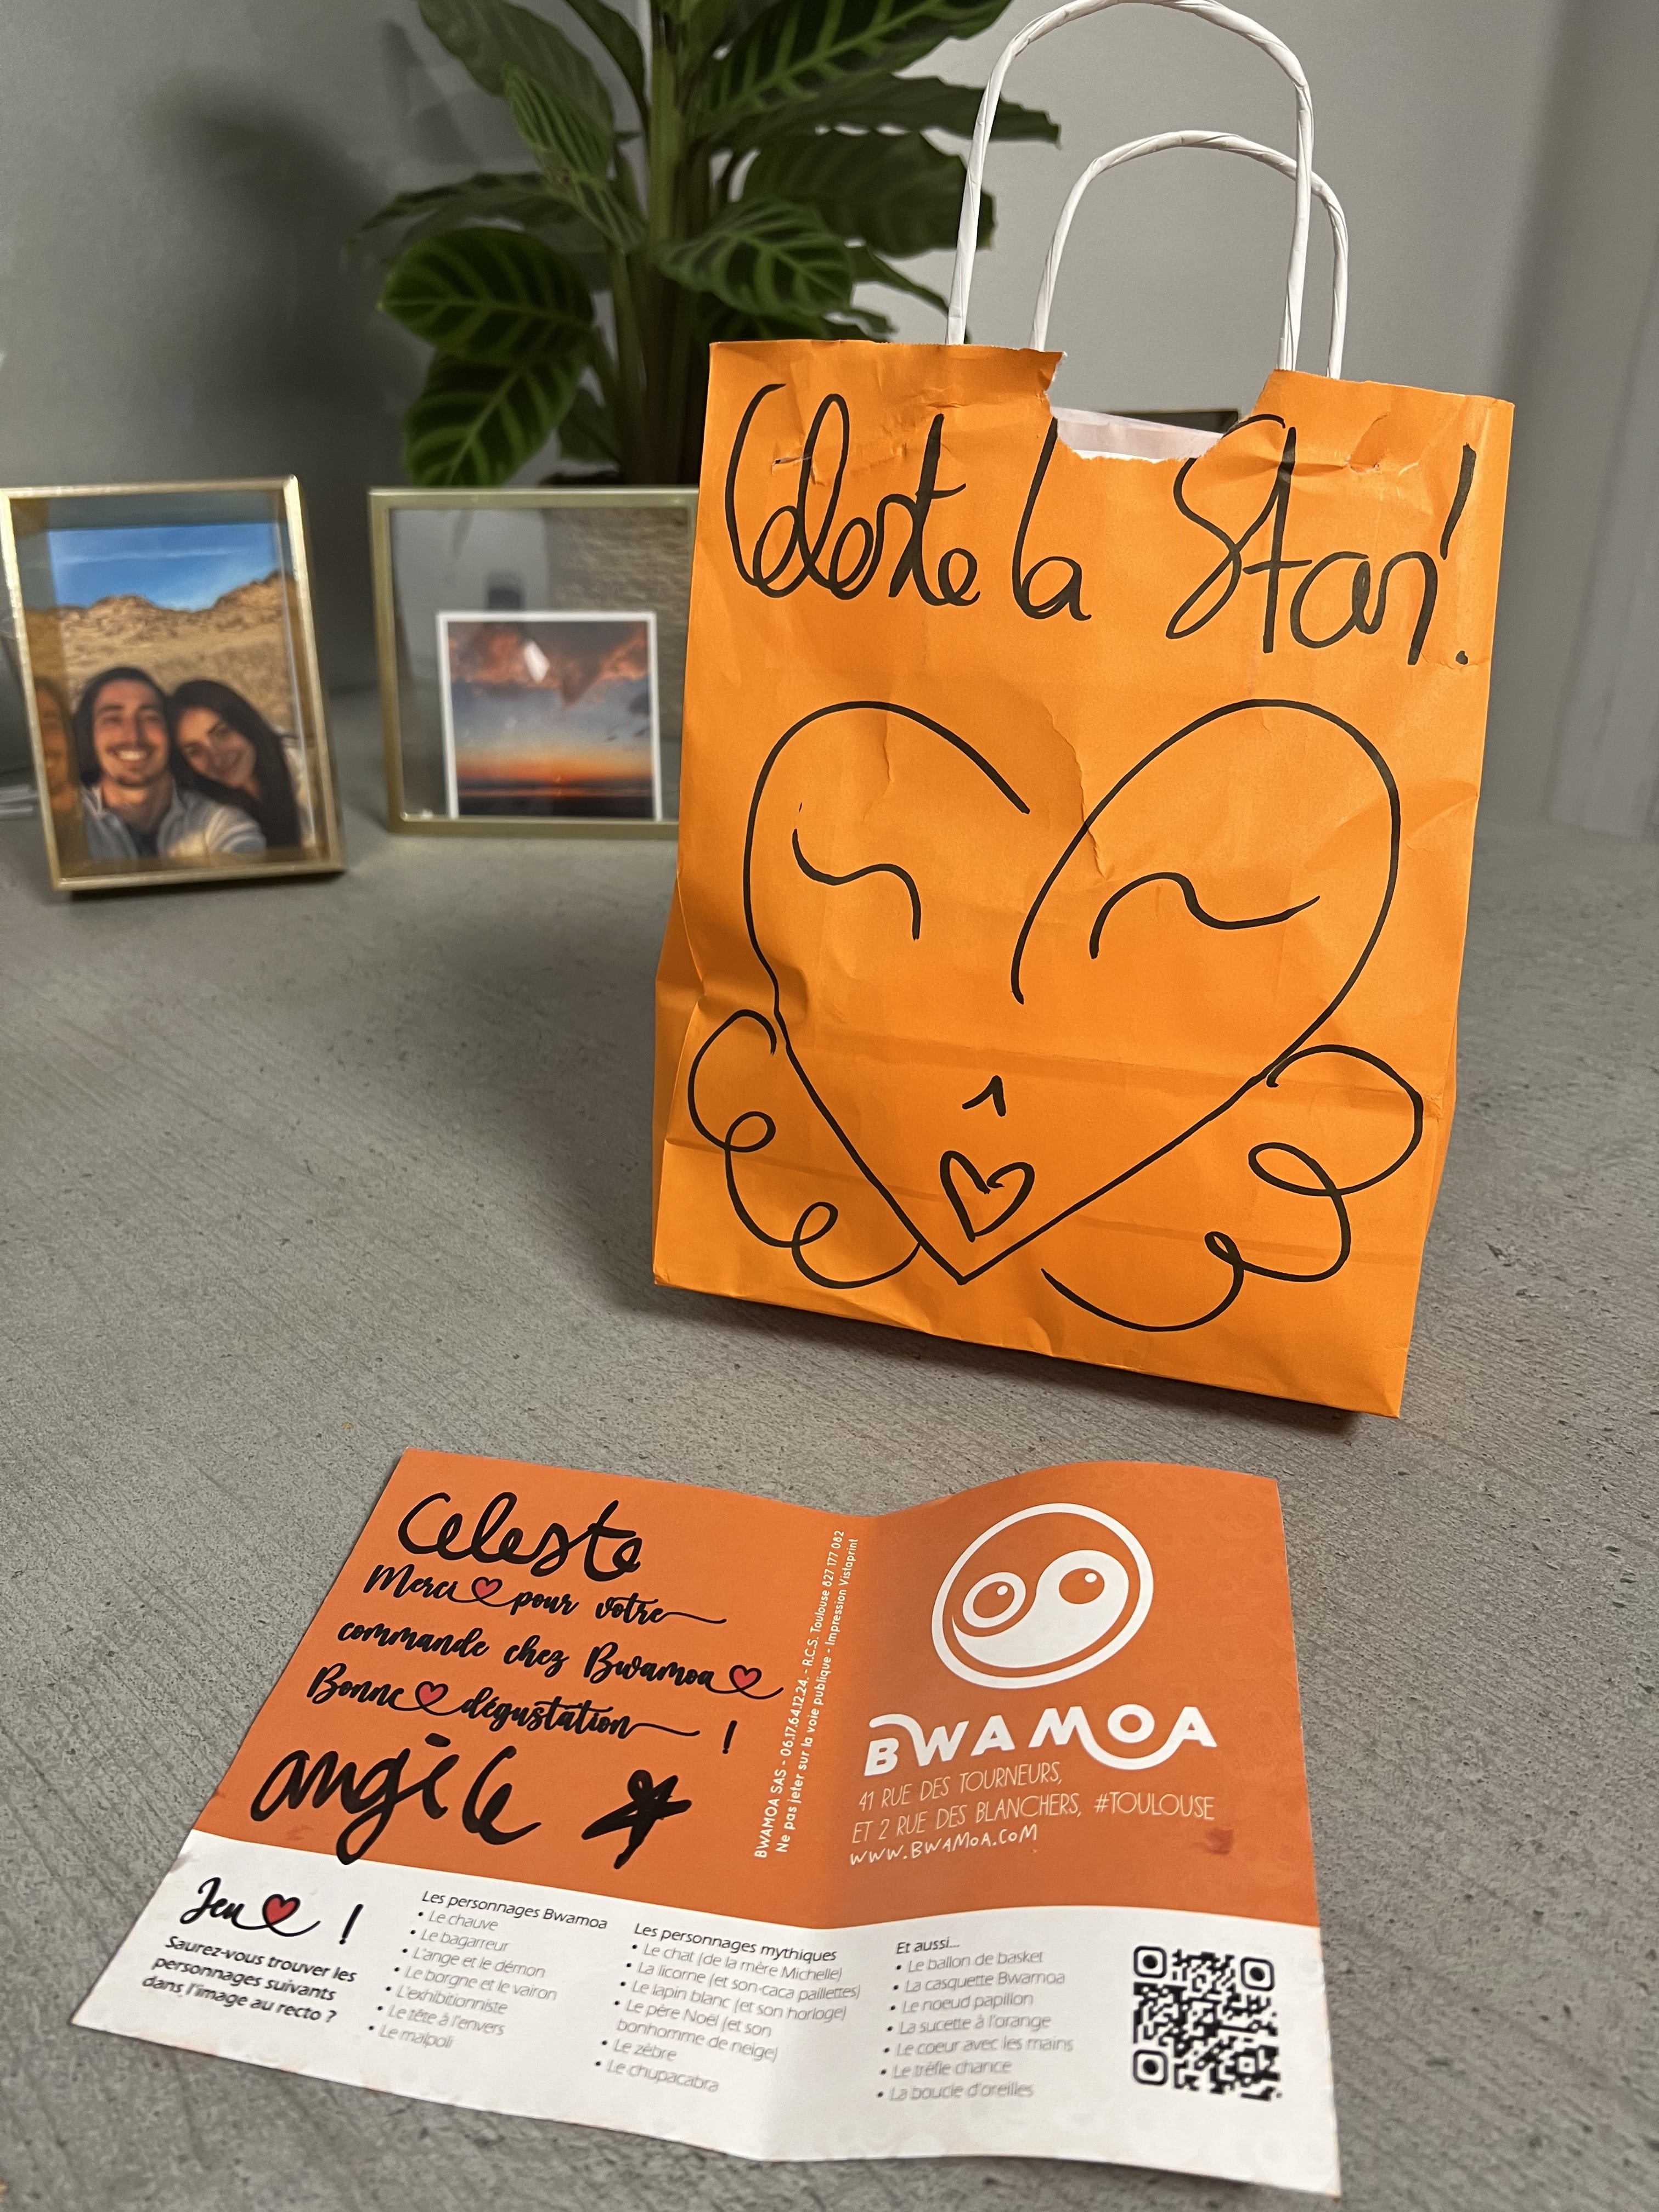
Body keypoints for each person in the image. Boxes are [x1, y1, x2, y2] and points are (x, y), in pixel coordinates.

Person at [72, 665, 266, 864]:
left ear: (170, 735)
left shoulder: (218, 823)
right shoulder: (70, 821)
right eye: (113, 720)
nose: (133, 736)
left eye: (150, 718)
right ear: (89, 735)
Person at [170, 679, 310, 850]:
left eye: (222, 733)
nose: (217, 759)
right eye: (195, 751)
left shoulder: (305, 768)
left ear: (245, 723)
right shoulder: (198, 810)